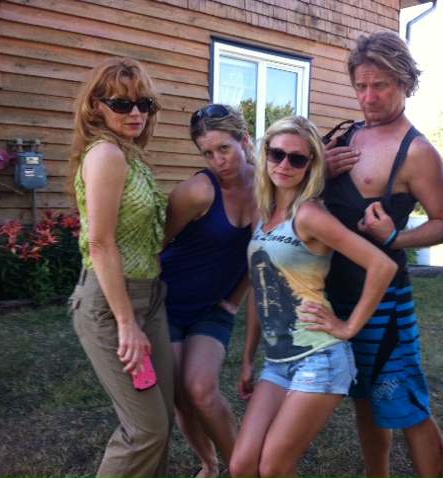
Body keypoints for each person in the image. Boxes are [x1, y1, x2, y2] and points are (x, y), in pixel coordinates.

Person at [228, 115, 398, 478]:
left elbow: (382, 266)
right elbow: (260, 286)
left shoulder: (309, 215)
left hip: (319, 359)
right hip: (277, 362)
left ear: (310, 166)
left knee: (273, 467)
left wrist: (348, 327)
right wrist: (248, 358)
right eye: (277, 154)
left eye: (297, 158)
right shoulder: (263, 214)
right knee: (242, 465)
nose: (284, 164)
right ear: (266, 155)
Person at [323, 31, 443, 477]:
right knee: (365, 400)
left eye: (380, 85)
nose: (368, 97)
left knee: (407, 405)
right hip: (337, 295)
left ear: (406, 83)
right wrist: (318, 171)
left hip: (384, 304)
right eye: (361, 86)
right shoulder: (346, 135)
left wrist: (395, 237)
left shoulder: (417, 151)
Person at [66, 57, 174, 478]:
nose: (135, 114)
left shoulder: (131, 156)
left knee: (161, 421)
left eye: (144, 104)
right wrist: (127, 323)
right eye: (121, 103)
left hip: (150, 298)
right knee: (146, 431)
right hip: (112, 306)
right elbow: (100, 242)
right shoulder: (106, 154)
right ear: (97, 106)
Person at [159, 104, 255, 478]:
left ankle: (243, 470)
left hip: (213, 307)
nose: (218, 161)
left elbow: (263, 253)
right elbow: (154, 247)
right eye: (208, 153)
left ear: (243, 140)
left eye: (224, 148)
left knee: (200, 388)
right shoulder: (198, 191)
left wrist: (235, 300)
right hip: (167, 303)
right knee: (180, 396)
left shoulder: (268, 187)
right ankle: (210, 464)